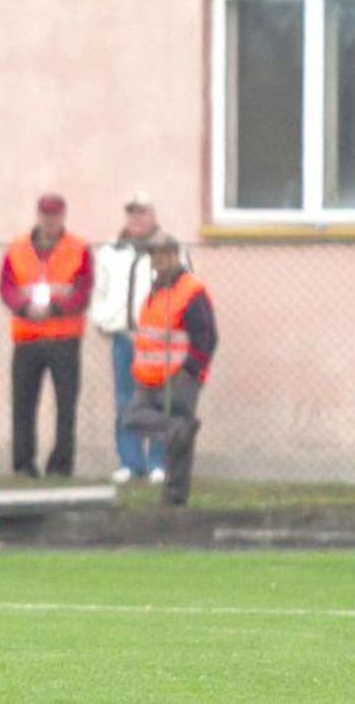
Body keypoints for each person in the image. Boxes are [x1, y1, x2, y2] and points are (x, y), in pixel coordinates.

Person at [0, 194, 92, 478]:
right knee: (23, 403)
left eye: (54, 215)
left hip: (64, 337)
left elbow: (83, 290)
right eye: (45, 215)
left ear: (62, 216)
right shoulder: (17, 248)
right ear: (38, 215)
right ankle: (23, 464)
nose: (50, 221)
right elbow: (6, 287)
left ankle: (60, 466)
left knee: (66, 405)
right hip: (27, 337)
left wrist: (54, 308)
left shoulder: (79, 249)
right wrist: (25, 308)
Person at [122, 232, 217, 506]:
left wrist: (190, 371)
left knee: (179, 443)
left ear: (176, 256)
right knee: (137, 419)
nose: (160, 261)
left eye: (165, 254)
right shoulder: (157, 289)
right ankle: (178, 427)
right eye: (155, 255)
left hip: (179, 376)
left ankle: (174, 497)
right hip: (149, 376)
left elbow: (207, 336)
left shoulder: (190, 290)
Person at [89, 190, 173, 485]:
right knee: (125, 401)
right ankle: (130, 462)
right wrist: (101, 319)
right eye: (132, 213)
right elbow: (100, 290)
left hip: (155, 339)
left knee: (157, 401)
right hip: (123, 337)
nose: (137, 219)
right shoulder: (111, 250)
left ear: (153, 216)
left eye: (143, 213)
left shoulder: (168, 248)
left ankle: (158, 462)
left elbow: (180, 289)